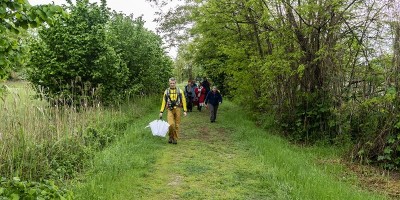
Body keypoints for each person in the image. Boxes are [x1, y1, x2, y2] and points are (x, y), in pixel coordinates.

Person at [159, 77, 187, 144]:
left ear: (175, 83)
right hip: (170, 109)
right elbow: (164, 102)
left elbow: (183, 100)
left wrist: (185, 110)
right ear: (169, 83)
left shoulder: (179, 91)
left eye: (173, 83)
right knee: (171, 124)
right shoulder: (166, 91)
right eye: (171, 83)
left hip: (177, 109)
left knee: (177, 125)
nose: (172, 84)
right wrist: (161, 111)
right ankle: (170, 136)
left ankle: (175, 138)